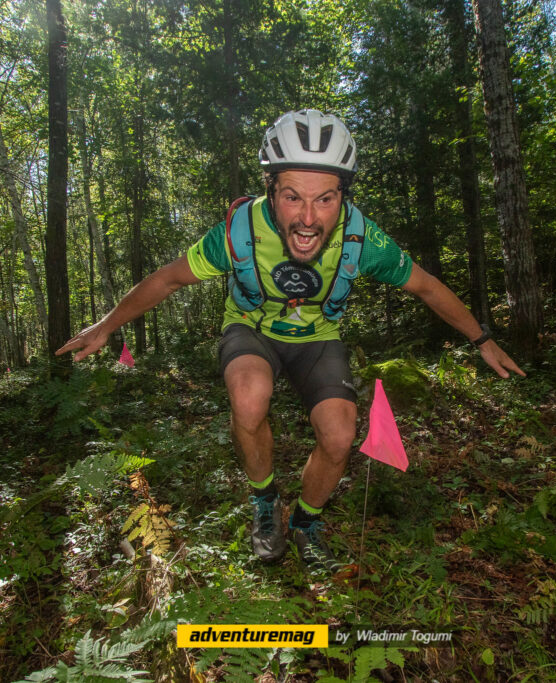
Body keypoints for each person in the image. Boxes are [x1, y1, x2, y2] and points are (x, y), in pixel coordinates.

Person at [56, 109, 525, 575]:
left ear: (343, 196)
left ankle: (305, 522)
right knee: (248, 397)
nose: (307, 219)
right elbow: (168, 280)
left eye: (324, 200)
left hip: (318, 335)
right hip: (251, 327)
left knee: (340, 436)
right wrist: (107, 325)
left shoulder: (360, 238)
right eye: (292, 197)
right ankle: (264, 501)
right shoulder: (239, 232)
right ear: (270, 191)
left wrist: (481, 338)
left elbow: (425, 285)